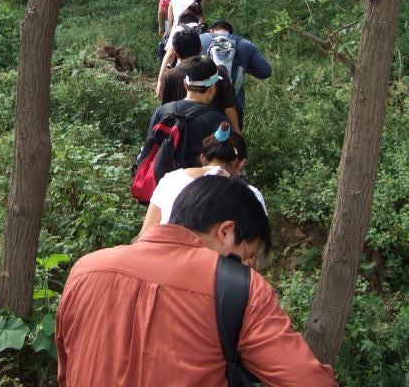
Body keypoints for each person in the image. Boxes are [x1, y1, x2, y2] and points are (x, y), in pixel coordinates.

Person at [56, 175, 338, 386]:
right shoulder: (242, 288)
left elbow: (67, 374)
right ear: (226, 232)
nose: (247, 268)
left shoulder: (84, 272)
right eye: (246, 256)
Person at [139, 122, 267, 252]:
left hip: (163, 257)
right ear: (241, 163)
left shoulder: (170, 180)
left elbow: (144, 236)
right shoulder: (252, 196)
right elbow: (253, 251)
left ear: (203, 158)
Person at [146, 56, 227, 168]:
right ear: (212, 88)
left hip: (161, 178)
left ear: (185, 84)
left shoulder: (162, 111)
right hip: (198, 179)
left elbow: (149, 148)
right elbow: (222, 163)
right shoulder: (218, 121)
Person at [160, 29, 240, 132]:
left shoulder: (170, 75)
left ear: (176, 54)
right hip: (214, 132)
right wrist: (237, 134)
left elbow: (166, 110)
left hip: (182, 132)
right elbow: (229, 106)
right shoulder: (217, 71)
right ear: (201, 48)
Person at [200, 19, 272, 127]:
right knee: (233, 135)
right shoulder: (244, 44)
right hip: (234, 104)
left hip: (203, 103)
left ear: (211, 31)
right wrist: (245, 67)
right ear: (230, 32)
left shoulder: (201, 39)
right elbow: (266, 71)